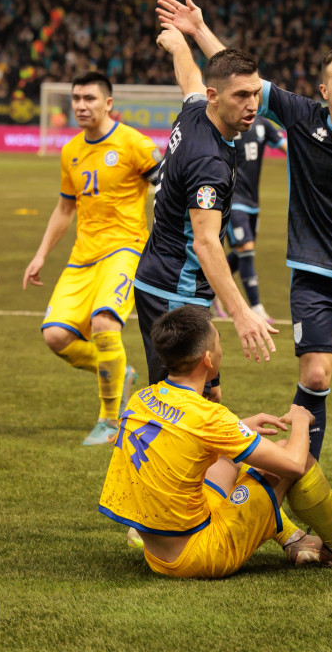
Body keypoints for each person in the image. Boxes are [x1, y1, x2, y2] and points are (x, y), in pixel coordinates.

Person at [158, 0, 332, 519]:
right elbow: (239, 85)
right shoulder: (303, 117)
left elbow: (235, 88)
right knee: (315, 377)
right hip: (313, 273)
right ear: (324, 90)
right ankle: (300, 482)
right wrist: (200, 30)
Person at [98, 305, 332, 578]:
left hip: (157, 552)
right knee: (286, 457)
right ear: (207, 359)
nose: (220, 349)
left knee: (231, 458)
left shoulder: (141, 399)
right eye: (218, 343)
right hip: (200, 555)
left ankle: (293, 538)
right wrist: (300, 421)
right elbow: (294, 464)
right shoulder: (211, 417)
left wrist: (240, 426)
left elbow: (182, 436)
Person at [133, 24, 277, 397]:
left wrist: (180, 44)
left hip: (171, 281)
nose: (252, 106)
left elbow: (189, 77)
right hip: (174, 290)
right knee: (179, 402)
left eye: (256, 94)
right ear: (216, 97)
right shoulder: (208, 164)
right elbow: (206, 243)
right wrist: (242, 312)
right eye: (241, 96)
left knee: (209, 392)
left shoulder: (197, 109)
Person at [23, 72, 162, 445]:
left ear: (108, 103)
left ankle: (110, 418)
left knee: (104, 324)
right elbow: (65, 209)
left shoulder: (134, 143)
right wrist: (40, 255)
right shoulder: (71, 152)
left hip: (126, 249)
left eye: (90, 99)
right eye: (76, 99)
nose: (82, 106)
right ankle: (119, 370)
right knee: (55, 336)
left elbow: (166, 190)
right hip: (83, 257)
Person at [214, 116, 287, 323]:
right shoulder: (228, 122)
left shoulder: (263, 125)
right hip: (232, 198)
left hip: (252, 201)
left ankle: (209, 285)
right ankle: (256, 307)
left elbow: (286, 148)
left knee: (243, 251)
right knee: (246, 248)